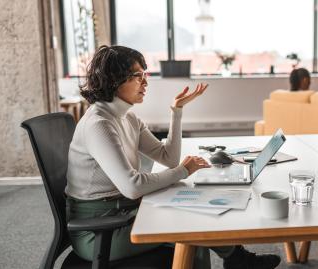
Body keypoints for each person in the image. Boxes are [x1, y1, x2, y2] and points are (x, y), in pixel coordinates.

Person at [65, 45, 281, 269]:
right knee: (190, 227)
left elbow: (168, 157)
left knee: (195, 209)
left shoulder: (127, 118)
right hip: (100, 231)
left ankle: (237, 259)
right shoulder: (98, 124)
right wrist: (183, 171)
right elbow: (132, 186)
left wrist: (176, 112)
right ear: (114, 80)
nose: (145, 82)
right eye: (138, 76)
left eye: (145, 75)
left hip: (125, 211)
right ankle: (238, 259)